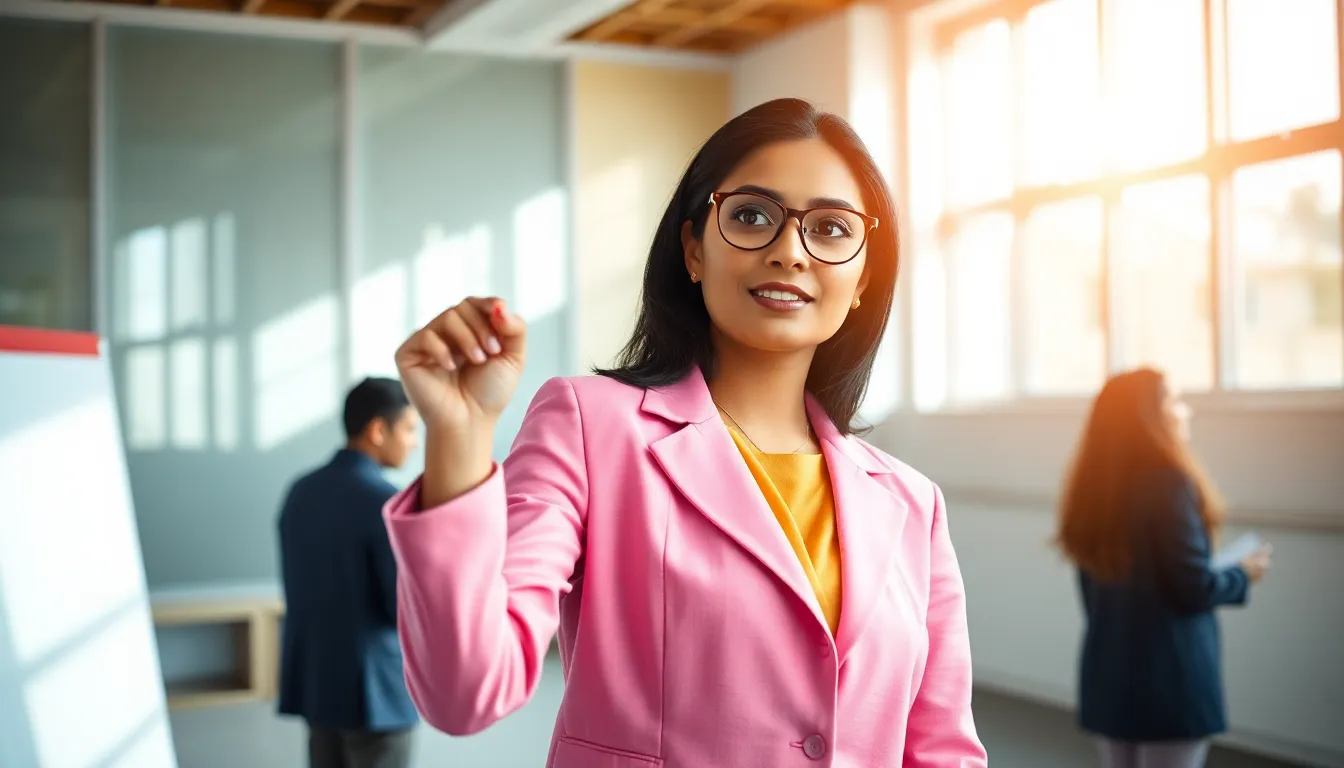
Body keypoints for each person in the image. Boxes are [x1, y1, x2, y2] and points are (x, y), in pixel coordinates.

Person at [383, 98, 987, 767]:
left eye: (832, 229)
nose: (790, 251)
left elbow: (943, 753)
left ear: (863, 278)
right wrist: (459, 438)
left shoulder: (912, 505)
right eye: (753, 215)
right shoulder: (590, 428)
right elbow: (464, 693)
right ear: (694, 250)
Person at [1056, 368, 1273, 768]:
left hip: (1109, 676)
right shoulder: (1170, 485)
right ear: (1150, 416)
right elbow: (1193, 587)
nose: (1186, 412)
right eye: (1175, 401)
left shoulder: (1093, 491)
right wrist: (1243, 573)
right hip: (1170, 684)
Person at [277, 376, 421, 768]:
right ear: (378, 430)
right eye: (409, 429)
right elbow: (399, 609)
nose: (414, 442)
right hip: (375, 692)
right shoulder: (384, 502)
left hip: (317, 683)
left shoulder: (300, 492)